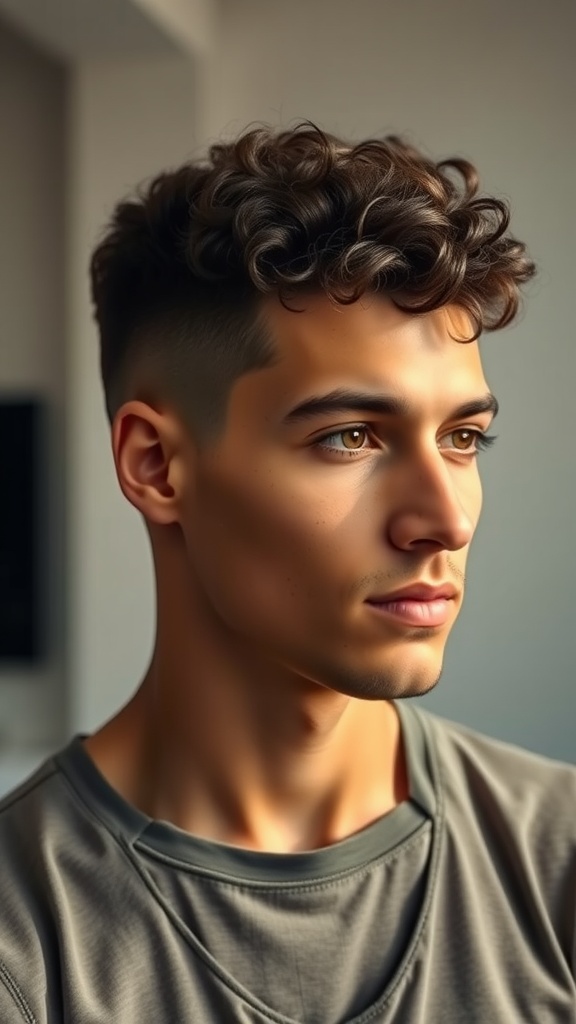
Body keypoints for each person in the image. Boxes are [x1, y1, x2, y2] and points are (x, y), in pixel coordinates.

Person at [0, 124, 574, 1024]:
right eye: (350, 437)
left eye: (462, 438)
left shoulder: (558, 861)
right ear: (155, 466)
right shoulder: (25, 943)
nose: (448, 520)